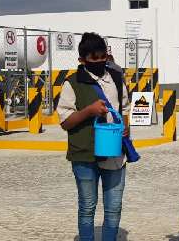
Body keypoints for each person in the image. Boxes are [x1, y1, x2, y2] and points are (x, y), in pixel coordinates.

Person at [57, 33, 129, 241]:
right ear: (82, 60)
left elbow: (124, 107)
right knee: (87, 206)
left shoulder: (116, 78)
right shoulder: (72, 83)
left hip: (114, 153)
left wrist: (125, 128)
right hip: (84, 154)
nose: (99, 63)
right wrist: (88, 111)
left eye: (102, 58)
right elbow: (65, 122)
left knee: (114, 207)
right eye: (93, 59)